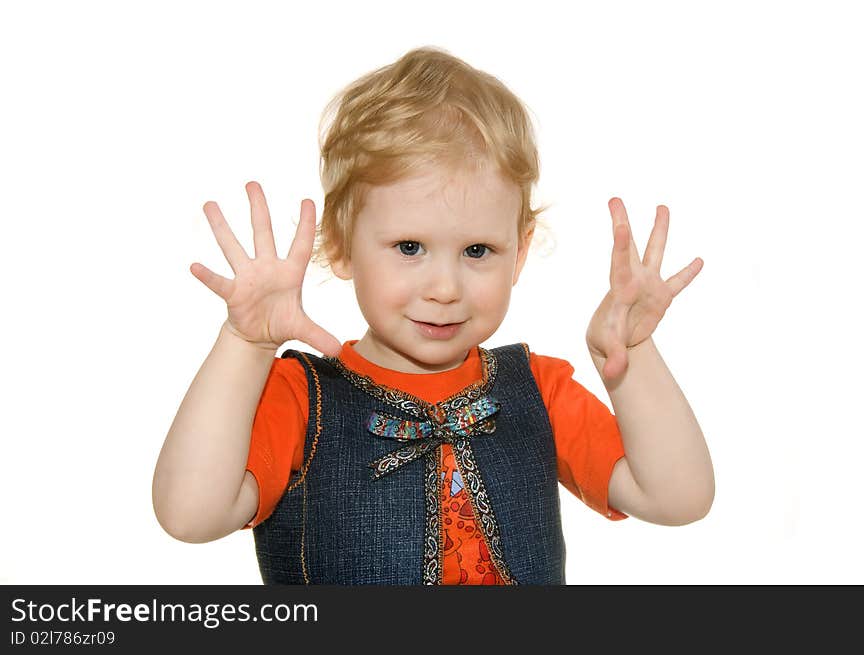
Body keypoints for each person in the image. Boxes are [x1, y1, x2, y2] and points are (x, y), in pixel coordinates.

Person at [152, 46, 714, 585]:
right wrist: (244, 346)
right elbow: (189, 516)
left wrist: (635, 357)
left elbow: (678, 498)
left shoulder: (538, 390)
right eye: (409, 247)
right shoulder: (300, 397)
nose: (444, 288)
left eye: (477, 252)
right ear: (342, 247)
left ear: (519, 253)